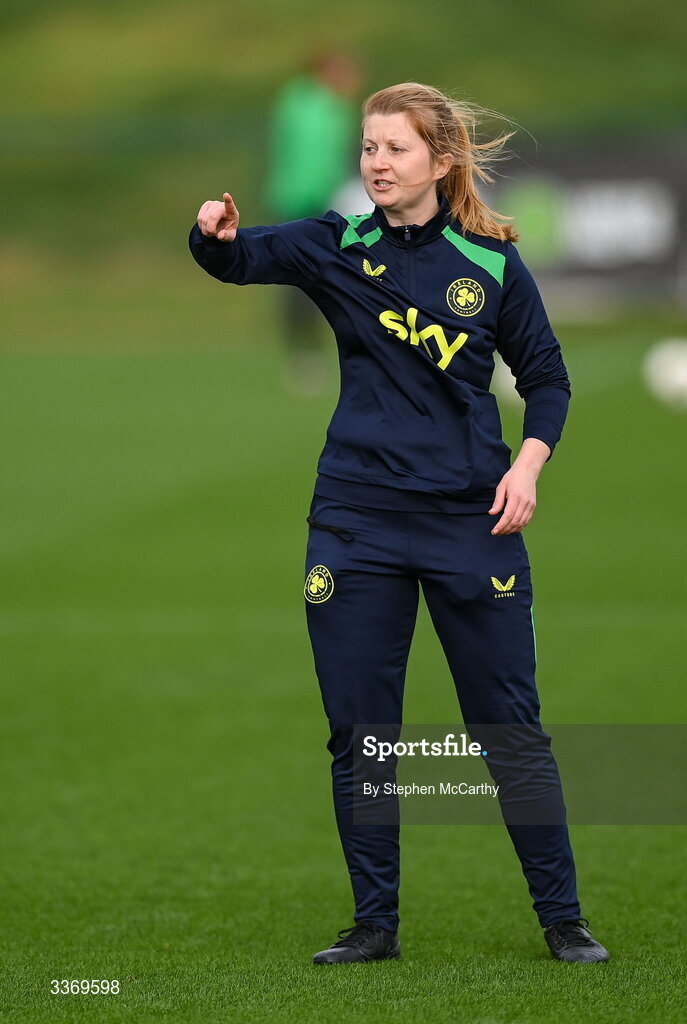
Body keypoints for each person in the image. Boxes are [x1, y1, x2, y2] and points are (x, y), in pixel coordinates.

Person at [189, 82, 609, 965]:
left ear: (440, 161)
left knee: (509, 730)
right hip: (356, 522)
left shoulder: (491, 262)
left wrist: (527, 465)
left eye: (395, 149)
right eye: (369, 148)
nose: (376, 162)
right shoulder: (334, 245)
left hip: (471, 524)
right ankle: (373, 925)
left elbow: (548, 380)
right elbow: (236, 260)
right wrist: (212, 236)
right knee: (361, 732)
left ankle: (563, 921)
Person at [262, 50, 361, 395]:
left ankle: (338, 353)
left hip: (326, 205)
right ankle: (304, 356)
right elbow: (305, 163)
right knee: (302, 284)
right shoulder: (302, 104)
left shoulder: (336, 110)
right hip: (301, 205)